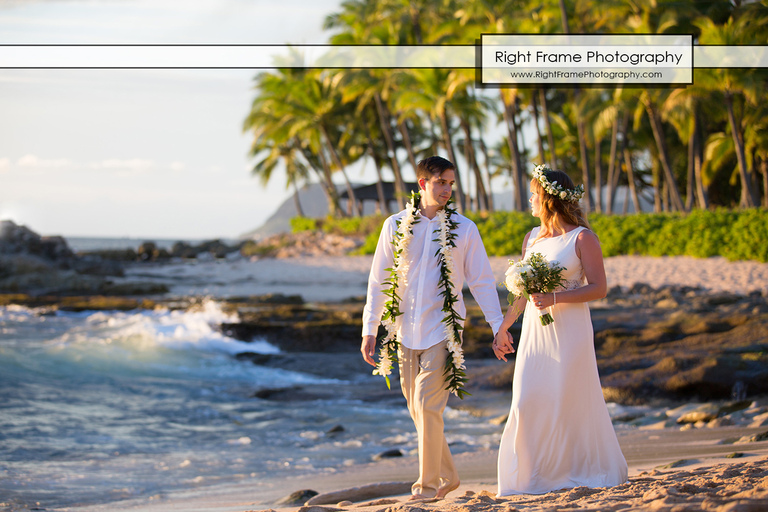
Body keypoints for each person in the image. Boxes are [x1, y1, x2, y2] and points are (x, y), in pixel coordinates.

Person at [361, 156, 510, 500]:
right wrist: (370, 329)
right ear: (422, 183)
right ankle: (450, 477)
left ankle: (426, 487)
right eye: (441, 182)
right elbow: (378, 278)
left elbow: (482, 281)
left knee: (428, 407)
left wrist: (497, 327)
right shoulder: (395, 225)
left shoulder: (464, 228)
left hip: (444, 330)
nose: (446, 189)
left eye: (451, 184)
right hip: (404, 330)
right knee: (418, 409)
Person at [494, 164, 628, 496]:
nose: (530, 200)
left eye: (534, 195)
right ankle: (530, 477)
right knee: (528, 398)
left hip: (571, 330)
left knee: (567, 397)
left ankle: (574, 471)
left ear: (550, 199)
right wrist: (503, 328)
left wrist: (556, 297)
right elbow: (524, 293)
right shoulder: (532, 238)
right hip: (535, 335)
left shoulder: (582, 238)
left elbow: (599, 288)